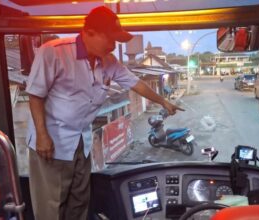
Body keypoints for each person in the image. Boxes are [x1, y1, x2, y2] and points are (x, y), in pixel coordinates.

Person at [26, 6, 184, 220]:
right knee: (51, 205)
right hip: (52, 141)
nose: (113, 45)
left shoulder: (108, 60)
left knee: (80, 200)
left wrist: (164, 102)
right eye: (110, 39)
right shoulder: (54, 52)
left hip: (82, 141)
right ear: (89, 32)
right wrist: (42, 135)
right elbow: (35, 95)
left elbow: (136, 83)